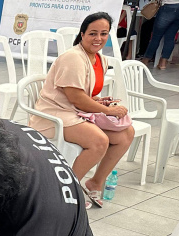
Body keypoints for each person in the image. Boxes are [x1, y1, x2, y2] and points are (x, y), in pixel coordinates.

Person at [32, 12, 135, 209]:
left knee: (126, 134)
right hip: (55, 114)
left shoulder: (100, 59)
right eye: (93, 33)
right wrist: (109, 112)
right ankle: (67, 191)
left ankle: (96, 181)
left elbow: (84, 94)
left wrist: (99, 101)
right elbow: (76, 98)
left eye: (104, 34)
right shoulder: (73, 58)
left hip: (75, 112)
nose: (98, 39)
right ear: (82, 34)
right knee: (99, 141)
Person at [141, 0, 179, 69]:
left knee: (156, 36)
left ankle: (146, 60)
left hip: (170, 5)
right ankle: (163, 63)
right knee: (170, 36)